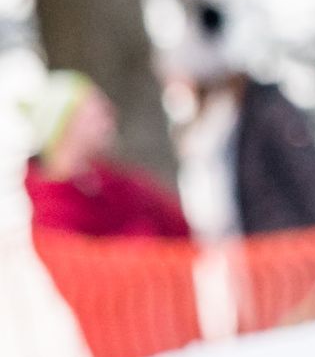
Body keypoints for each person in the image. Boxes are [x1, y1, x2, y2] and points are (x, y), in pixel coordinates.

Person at [168, 1, 315, 331]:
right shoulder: (212, 130)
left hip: (290, 270)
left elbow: (312, 186)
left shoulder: (267, 112)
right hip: (245, 274)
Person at [22, 71, 191, 240]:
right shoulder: (50, 213)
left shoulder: (118, 184)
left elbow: (181, 225)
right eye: (96, 109)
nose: (110, 113)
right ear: (66, 126)